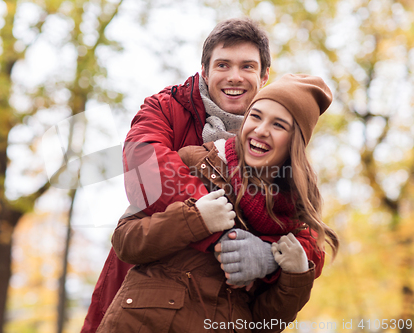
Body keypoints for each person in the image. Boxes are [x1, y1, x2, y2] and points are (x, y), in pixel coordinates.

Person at [80, 17, 323, 333]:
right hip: (148, 296)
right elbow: (148, 172)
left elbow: (307, 237)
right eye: (223, 65)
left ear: (264, 77)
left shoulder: (284, 157)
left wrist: (268, 257)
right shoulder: (168, 108)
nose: (234, 77)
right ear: (204, 71)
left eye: (247, 67)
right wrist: (223, 231)